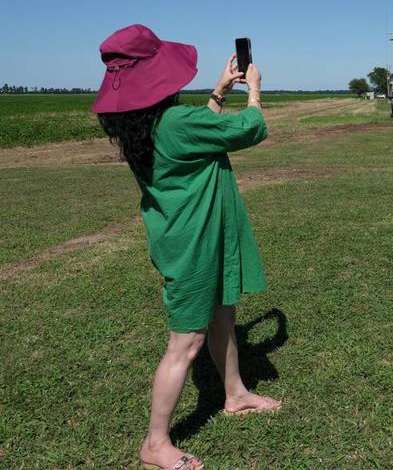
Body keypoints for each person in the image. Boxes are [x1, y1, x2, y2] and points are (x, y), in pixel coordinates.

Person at [92, 25, 281, 470]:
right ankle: (155, 443)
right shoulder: (177, 122)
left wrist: (217, 92)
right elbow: (250, 129)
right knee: (185, 344)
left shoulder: (143, 127)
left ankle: (234, 394)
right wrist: (252, 91)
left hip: (188, 237)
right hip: (195, 246)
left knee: (223, 319)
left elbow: (199, 131)